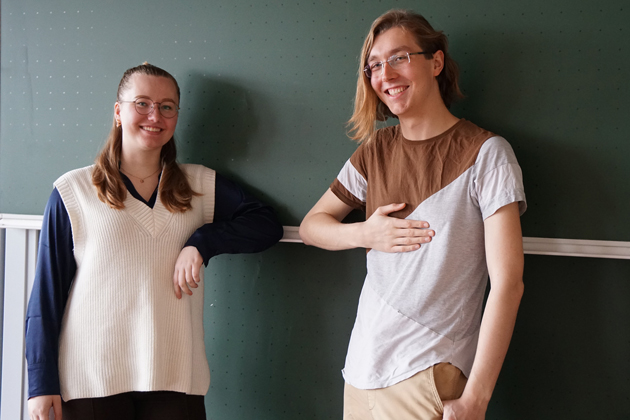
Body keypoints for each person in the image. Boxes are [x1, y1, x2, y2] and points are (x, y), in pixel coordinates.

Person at [299, 9, 526, 420]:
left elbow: (509, 283)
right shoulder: (375, 150)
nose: (385, 74)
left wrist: (477, 397)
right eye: (374, 65)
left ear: (436, 61)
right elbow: (312, 227)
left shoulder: (487, 154)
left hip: (427, 374)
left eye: (399, 57)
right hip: (361, 372)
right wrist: (366, 234)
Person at [25, 62, 284, 420]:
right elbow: (45, 298)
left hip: (175, 377)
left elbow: (266, 224)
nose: (155, 115)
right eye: (142, 103)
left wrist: (201, 243)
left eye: (167, 107)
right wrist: (40, 384)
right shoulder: (74, 191)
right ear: (118, 112)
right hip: (90, 379)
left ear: (177, 116)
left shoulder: (199, 185)